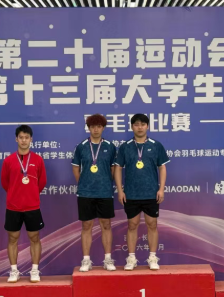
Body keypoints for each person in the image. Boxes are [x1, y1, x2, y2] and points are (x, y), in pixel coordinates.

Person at [114, 114, 170, 270]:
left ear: (148, 126)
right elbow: (118, 168)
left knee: (152, 224)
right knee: (132, 225)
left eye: (143, 124)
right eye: (136, 124)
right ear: (132, 127)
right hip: (131, 193)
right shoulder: (125, 147)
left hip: (151, 193)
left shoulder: (156, 145)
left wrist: (161, 189)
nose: (140, 127)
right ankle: (131, 258)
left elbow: (162, 167)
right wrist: (120, 190)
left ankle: (152, 257)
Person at [1, 125, 47, 283]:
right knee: (12, 238)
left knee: (34, 237)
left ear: (31, 139)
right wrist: (15, 194)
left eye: (27, 138)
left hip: (32, 206)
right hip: (13, 207)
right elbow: (5, 183)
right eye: (21, 137)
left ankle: (34, 270)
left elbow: (42, 182)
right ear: (16, 139)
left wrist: (31, 194)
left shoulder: (38, 160)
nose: (24, 140)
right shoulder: (8, 161)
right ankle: (14, 271)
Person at [72, 114, 117, 272]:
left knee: (106, 224)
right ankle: (86, 260)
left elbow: (113, 168)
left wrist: (105, 182)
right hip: (86, 193)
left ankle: (108, 259)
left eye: (99, 126)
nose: (96, 129)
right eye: (93, 127)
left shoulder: (110, 147)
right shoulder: (82, 147)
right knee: (87, 225)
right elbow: (76, 168)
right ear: (89, 128)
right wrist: (84, 183)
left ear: (103, 128)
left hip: (105, 192)